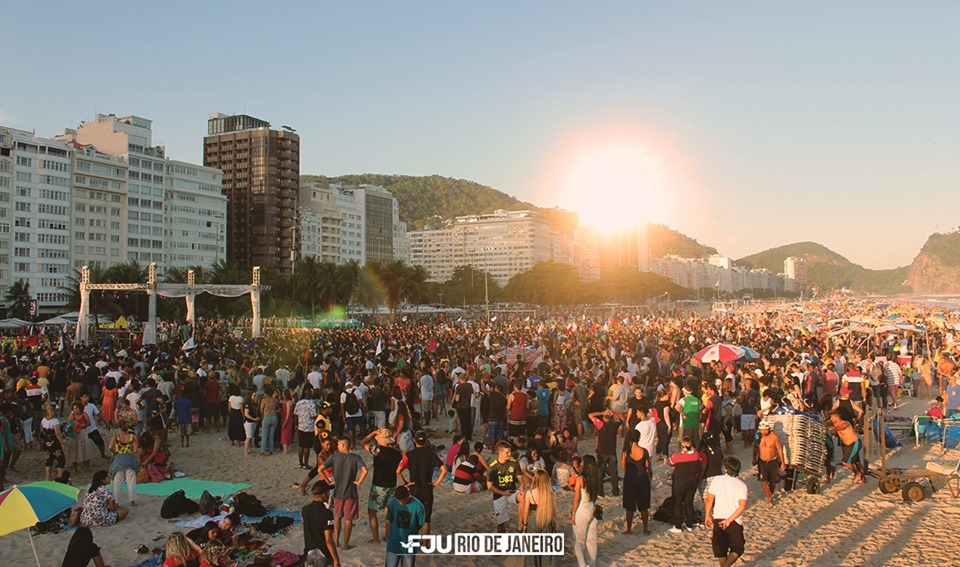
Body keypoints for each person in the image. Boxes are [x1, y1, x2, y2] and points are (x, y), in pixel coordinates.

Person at [317, 437, 368, 550]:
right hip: (351, 492)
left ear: (344, 445)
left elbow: (320, 469)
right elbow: (365, 470)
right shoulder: (356, 457)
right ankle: (345, 544)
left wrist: (328, 481)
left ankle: (336, 541)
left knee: (337, 517)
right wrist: (359, 481)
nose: (337, 446)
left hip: (338, 491)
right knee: (348, 520)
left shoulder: (335, 457)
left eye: (339, 445)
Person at [362, 428, 404, 545]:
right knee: (388, 512)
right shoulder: (396, 453)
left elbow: (363, 443)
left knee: (372, 511)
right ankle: (388, 536)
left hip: (379, 484)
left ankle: (375, 538)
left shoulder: (377, 450)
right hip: (392, 484)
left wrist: (374, 432)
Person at [705, 457, 748, 567]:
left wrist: (708, 516)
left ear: (726, 469)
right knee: (738, 548)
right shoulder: (742, 485)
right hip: (734, 520)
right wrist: (729, 520)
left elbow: (709, 500)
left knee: (721, 549)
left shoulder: (716, 480)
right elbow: (742, 506)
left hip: (718, 517)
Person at [403, 430, 447, 535]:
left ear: (414, 440)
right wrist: (436, 483)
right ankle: (426, 544)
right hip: (427, 487)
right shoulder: (431, 454)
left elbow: (398, 471)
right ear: (426, 441)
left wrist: (405, 482)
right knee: (426, 519)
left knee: (413, 516)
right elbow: (444, 470)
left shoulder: (409, 455)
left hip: (414, 487)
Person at [518, 469, 558, 567]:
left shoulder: (530, 493)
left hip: (533, 521)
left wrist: (524, 524)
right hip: (546, 520)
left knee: (532, 549)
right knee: (547, 550)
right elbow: (553, 513)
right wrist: (556, 525)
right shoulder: (550, 493)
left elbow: (526, 511)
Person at [302, 480, 341, 567]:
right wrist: (336, 560)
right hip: (323, 553)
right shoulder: (327, 513)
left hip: (309, 553)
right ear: (323, 495)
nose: (329, 495)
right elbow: (329, 540)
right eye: (328, 493)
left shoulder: (304, 510)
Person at [487, 441, 524, 533]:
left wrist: (522, 487)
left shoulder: (514, 463)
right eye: (507, 452)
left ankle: (521, 524)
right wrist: (503, 493)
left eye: (510, 452)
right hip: (499, 494)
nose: (509, 454)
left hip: (512, 491)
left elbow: (521, 479)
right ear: (500, 452)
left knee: (523, 497)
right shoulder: (493, 467)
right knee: (500, 523)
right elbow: (489, 487)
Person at [385, 485, 425, 567]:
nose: (401, 503)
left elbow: (421, 524)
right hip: (393, 543)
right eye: (399, 501)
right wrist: (388, 536)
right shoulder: (392, 503)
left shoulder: (418, 506)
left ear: (408, 495)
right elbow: (388, 520)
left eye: (403, 501)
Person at [621, 429, 651, 535]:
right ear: (639, 438)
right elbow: (647, 466)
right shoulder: (644, 451)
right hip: (642, 479)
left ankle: (629, 529)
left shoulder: (626, 451)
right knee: (643, 506)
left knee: (630, 506)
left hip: (630, 479)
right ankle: (645, 530)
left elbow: (623, 467)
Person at [571, 454, 599, 567]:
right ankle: (592, 563)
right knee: (591, 539)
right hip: (593, 506)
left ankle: (582, 564)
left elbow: (577, 498)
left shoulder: (580, 478)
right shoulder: (595, 478)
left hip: (583, 508)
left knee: (578, 540)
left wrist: (573, 513)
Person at [668, 436, 700, 533]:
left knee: (677, 504)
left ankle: (678, 526)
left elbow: (670, 462)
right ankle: (689, 525)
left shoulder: (677, 456)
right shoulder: (696, 455)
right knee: (689, 503)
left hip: (680, 483)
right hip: (692, 482)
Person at [588, 409, 621, 497]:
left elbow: (591, 415)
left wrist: (602, 412)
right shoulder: (614, 425)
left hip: (602, 452)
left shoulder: (600, 425)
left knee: (600, 472)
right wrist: (614, 412)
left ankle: (600, 491)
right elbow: (622, 418)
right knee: (614, 472)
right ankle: (615, 491)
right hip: (612, 452)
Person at [829, 409, 866, 483]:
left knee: (845, 461)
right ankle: (863, 479)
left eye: (832, 417)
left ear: (836, 417)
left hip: (855, 443)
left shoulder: (845, 423)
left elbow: (840, 427)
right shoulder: (835, 423)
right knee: (857, 462)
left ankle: (856, 473)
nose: (831, 419)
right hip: (848, 445)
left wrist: (830, 429)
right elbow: (828, 423)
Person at [756, 419, 786, 505]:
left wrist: (783, 463)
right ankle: (768, 496)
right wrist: (754, 458)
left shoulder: (774, 437)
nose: (763, 432)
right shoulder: (758, 436)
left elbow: (779, 449)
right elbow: (755, 447)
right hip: (762, 461)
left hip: (772, 461)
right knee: (763, 480)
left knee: (773, 480)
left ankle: (770, 493)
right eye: (762, 430)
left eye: (765, 430)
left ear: (769, 429)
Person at [108, 426, 140, 507]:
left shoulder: (117, 435)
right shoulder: (132, 437)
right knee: (131, 480)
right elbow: (136, 450)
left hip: (119, 458)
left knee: (117, 482)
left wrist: (115, 452)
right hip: (129, 458)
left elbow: (110, 447)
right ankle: (132, 501)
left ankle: (117, 502)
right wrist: (129, 451)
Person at [40, 403, 66, 481]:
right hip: (55, 442)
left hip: (47, 441)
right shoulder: (55, 421)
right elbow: (57, 433)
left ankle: (48, 477)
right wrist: (62, 442)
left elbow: (41, 430)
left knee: (49, 460)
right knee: (60, 460)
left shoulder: (44, 420)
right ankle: (59, 477)